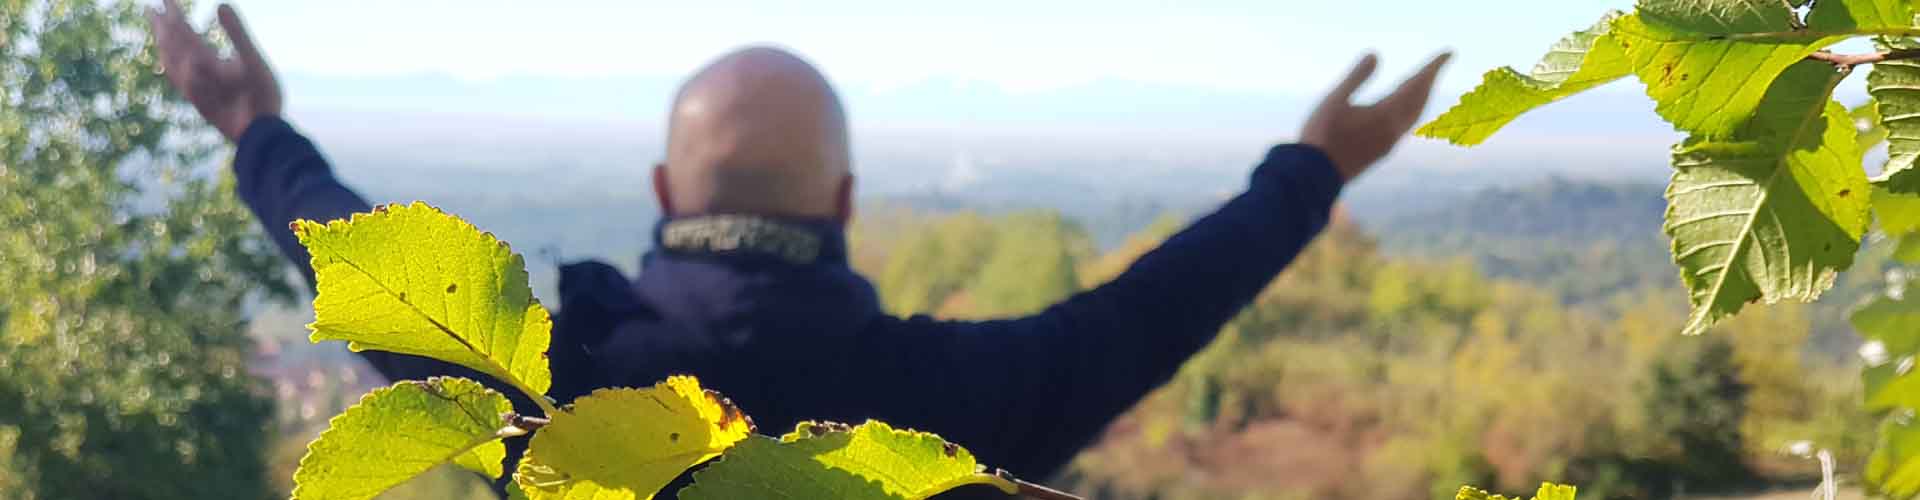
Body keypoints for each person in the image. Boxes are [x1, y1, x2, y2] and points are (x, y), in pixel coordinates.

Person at [147, 1, 1450, 497]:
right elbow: (1152, 311)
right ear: (845, 205)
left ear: (664, 187)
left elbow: (344, 247)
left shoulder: (541, 384)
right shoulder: (957, 410)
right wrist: (1313, 170)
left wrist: (248, 120)